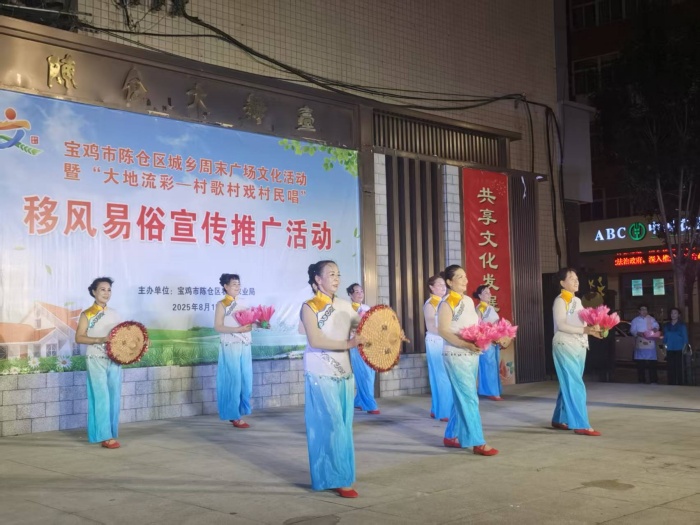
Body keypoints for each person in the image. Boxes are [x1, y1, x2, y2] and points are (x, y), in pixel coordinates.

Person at [300, 260, 365, 498]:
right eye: (330, 274)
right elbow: (315, 340)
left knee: (343, 425)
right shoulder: (309, 307)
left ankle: (336, 474)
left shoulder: (345, 305)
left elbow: (363, 328)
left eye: (338, 274)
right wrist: (349, 343)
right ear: (318, 279)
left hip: (344, 371)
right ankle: (337, 478)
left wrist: (387, 331)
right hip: (320, 370)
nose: (336, 278)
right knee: (331, 424)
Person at [437, 265, 498, 456]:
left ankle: (451, 435)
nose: (465, 280)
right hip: (456, 354)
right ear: (449, 282)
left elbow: (476, 326)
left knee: (462, 396)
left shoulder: (469, 301)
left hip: (471, 353)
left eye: (465, 276)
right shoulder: (447, 302)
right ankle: (477, 441)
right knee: (469, 398)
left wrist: (494, 336)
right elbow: (443, 330)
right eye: (460, 277)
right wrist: (465, 344)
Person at [551, 268, 603, 436]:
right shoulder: (560, 301)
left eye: (577, 278)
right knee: (575, 384)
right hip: (565, 344)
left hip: (579, 345)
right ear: (562, 283)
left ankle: (559, 418)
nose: (576, 281)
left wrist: (593, 330)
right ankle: (580, 424)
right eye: (571, 278)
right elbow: (561, 325)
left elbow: (582, 324)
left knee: (569, 382)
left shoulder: (577, 301)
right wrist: (586, 330)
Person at [75, 277, 123, 449]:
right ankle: (105, 436)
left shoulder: (115, 313)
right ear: (94, 292)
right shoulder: (87, 314)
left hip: (115, 359)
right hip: (95, 358)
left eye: (109, 290)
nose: (106, 293)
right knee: (101, 396)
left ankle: (110, 432)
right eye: (102, 289)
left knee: (114, 396)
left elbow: (123, 336)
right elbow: (79, 338)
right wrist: (100, 339)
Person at [214, 273, 254, 428]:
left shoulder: (244, 303)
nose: (237, 287)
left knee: (246, 381)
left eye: (238, 284)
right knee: (234, 381)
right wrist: (237, 330)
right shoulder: (222, 304)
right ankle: (234, 415)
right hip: (230, 345)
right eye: (233, 284)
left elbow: (250, 323)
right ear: (225, 286)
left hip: (245, 344)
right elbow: (218, 326)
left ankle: (239, 411)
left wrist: (262, 324)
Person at [346, 283, 380, 414]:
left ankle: (359, 401)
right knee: (364, 374)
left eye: (361, 291)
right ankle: (370, 404)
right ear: (350, 294)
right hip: (356, 344)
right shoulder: (347, 309)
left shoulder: (367, 308)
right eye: (356, 292)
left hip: (369, 344)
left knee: (370, 373)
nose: (360, 294)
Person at [423, 274, 452, 421]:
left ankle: (437, 409)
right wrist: (450, 334)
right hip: (436, 342)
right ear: (431, 287)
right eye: (439, 285)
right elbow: (431, 327)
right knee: (441, 376)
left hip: (444, 341)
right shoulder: (431, 304)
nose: (443, 287)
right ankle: (445, 411)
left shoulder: (444, 302)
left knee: (441, 376)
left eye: (444, 285)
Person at [474, 285, 504, 401]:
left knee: (493, 365)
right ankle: (491, 392)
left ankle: (493, 390)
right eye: (486, 293)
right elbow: (478, 325)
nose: (489, 295)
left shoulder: (490, 307)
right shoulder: (480, 308)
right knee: (488, 365)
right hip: (486, 340)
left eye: (489, 292)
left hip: (494, 340)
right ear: (480, 295)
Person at [630, 305, 661, 384]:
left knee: (652, 363)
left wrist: (654, 329)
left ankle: (653, 380)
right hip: (640, 342)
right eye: (642, 309)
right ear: (639, 311)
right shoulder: (635, 320)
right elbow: (632, 331)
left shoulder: (651, 319)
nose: (644, 311)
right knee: (641, 363)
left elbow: (657, 326)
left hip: (650, 342)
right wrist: (639, 333)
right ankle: (641, 380)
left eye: (645, 309)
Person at [663, 307, 688, 386]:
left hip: (679, 349)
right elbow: (664, 339)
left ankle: (680, 384)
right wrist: (664, 350)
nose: (673, 315)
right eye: (672, 313)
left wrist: (685, 350)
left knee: (679, 367)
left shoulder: (682, 326)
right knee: (670, 368)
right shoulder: (666, 326)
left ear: (678, 315)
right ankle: (671, 384)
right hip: (669, 349)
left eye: (675, 313)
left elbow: (685, 339)